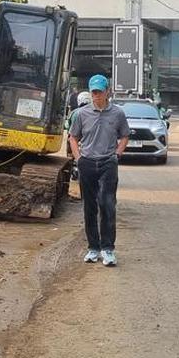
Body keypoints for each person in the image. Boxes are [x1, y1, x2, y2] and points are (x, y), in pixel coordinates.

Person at [68, 75, 130, 267]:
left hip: (108, 163)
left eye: (99, 92)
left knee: (107, 204)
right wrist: (79, 158)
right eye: (93, 92)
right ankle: (93, 248)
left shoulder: (117, 114)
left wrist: (117, 154)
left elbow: (125, 135)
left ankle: (108, 249)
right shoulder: (81, 114)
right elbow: (73, 137)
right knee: (90, 207)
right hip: (87, 163)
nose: (96, 96)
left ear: (107, 92)